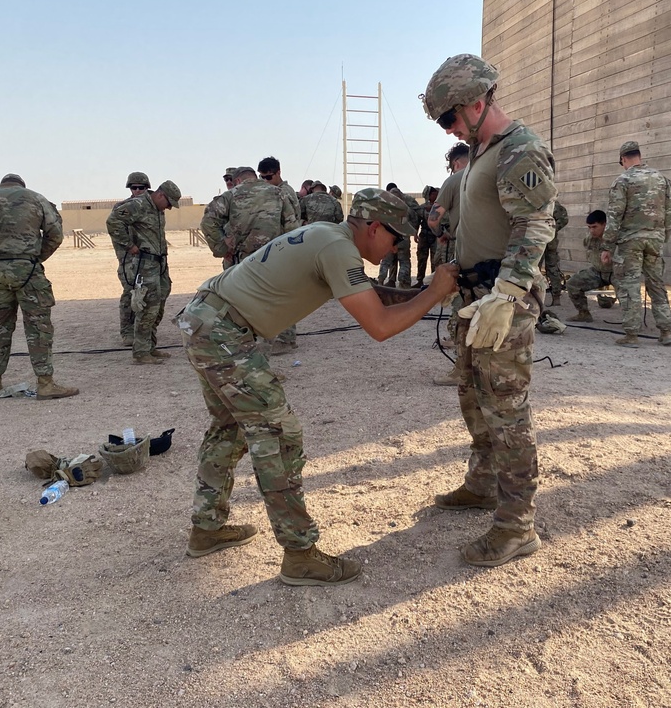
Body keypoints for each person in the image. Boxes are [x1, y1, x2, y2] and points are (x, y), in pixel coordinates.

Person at [176, 187, 459, 586]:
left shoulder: (329, 235)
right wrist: (433, 294)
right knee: (278, 436)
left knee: (230, 430)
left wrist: (424, 292)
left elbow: (370, 294)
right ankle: (299, 555)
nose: (395, 249)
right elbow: (379, 326)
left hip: (208, 320)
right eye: (396, 239)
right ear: (375, 227)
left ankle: (206, 528)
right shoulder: (337, 248)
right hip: (223, 332)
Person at [421, 53, 557, 567]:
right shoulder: (480, 150)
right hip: (475, 297)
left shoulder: (519, 150)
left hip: (505, 301)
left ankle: (516, 525)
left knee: (507, 412)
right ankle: (481, 483)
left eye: (449, 118)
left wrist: (508, 293)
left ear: (477, 103)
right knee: (474, 398)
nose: (447, 130)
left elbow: (535, 225)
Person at [0, 174, 79, 398]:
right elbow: (55, 234)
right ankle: (45, 383)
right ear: (21, 185)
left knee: (0, 326)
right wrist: (37, 257)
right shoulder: (36, 199)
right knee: (38, 327)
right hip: (28, 270)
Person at [201, 166, 300, 355]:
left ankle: (246, 342)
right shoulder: (278, 193)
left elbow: (208, 221)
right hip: (273, 259)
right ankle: (279, 341)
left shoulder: (231, 196)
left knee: (241, 302)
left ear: (238, 181)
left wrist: (222, 248)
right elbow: (291, 227)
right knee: (276, 298)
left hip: (243, 262)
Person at [601, 141, 671, 347]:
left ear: (623, 159)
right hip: (655, 240)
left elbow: (615, 216)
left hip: (630, 242)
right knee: (656, 284)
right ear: (639, 156)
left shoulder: (623, 180)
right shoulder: (662, 179)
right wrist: (662, 237)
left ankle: (632, 335)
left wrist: (607, 246)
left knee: (630, 285)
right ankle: (666, 331)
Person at [105, 179, 183, 364]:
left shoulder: (157, 208)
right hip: (145, 264)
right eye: (169, 203)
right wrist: (128, 245)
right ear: (161, 195)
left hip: (160, 262)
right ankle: (140, 352)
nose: (169, 208)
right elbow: (113, 221)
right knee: (148, 306)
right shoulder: (137, 204)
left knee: (159, 305)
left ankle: (150, 346)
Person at [429, 142, 470, 386]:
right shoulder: (493, 173)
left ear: (455, 163)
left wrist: (442, 234)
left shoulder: (455, 180)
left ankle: (461, 370)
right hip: (500, 253)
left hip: (466, 250)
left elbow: (433, 220)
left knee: (462, 306)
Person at [109, 171, 152, 347]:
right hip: (129, 259)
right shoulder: (123, 207)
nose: (137, 191)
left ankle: (143, 331)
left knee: (149, 294)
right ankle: (127, 331)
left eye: (141, 188)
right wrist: (129, 246)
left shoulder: (152, 207)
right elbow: (115, 229)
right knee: (130, 293)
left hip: (149, 259)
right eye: (134, 188)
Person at [566, 210, 613, 322]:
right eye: (589, 227)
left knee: (628, 293)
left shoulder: (615, 239)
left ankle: (631, 325)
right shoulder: (590, 239)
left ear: (604, 225)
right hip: (598, 272)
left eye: (595, 227)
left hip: (616, 273)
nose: (592, 230)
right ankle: (583, 313)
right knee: (573, 283)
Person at [377, 183, 416, 288]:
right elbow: (414, 220)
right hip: (403, 239)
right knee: (404, 261)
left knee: (386, 260)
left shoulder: (386, 208)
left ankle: (381, 281)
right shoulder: (406, 208)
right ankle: (403, 283)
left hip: (389, 238)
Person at [542, 201, 569, 306]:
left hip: (545, 240)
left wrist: (552, 230)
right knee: (536, 269)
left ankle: (556, 297)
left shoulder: (550, 202)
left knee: (551, 268)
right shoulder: (550, 202)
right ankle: (534, 296)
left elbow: (564, 219)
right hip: (538, 239)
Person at [412, 186, 439, 288]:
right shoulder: (423, 207)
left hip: (435, 236)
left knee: (435, 260)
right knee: (422, 259)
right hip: (424, 235)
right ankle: (420, 281)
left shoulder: (439, 207)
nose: (434, 195)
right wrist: (415, 233)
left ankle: (433, 282)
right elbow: (417, 221)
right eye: (432, 194)